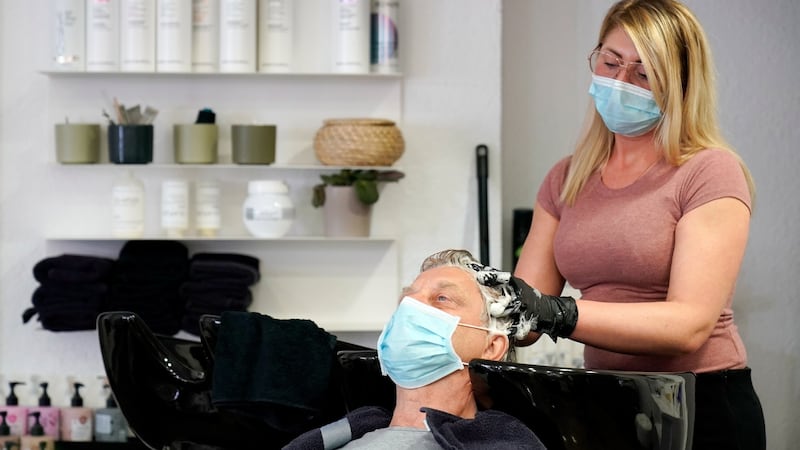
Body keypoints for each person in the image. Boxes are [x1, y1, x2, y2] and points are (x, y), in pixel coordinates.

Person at [502, 1, 766, 449]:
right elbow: (524, 320)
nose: (620, 82)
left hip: (699, 404)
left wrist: (558, 313)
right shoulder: (567, 178)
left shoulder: (709, 171)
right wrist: (464, 303)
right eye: (610, 63)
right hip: (604, 401)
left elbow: (688, 325)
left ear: (679, 84)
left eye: (643, 74)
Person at [284, 249, 546, 450]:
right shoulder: (343, 435)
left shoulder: (503, 443)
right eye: (406, 299)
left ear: (491, 346)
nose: (411, 307)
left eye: (441, 299)